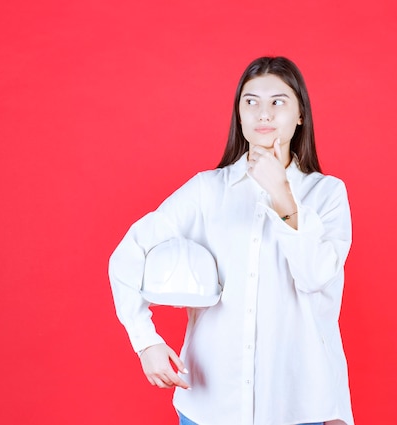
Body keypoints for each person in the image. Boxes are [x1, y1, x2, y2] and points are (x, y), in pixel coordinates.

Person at [109, 56, 354, 425]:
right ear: (239, 115)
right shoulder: (207, 191)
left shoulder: (327, 194)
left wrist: (282, 195)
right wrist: (146, 341)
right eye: (250, 101)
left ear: (300, 114)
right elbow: (129, 252)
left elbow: (316, 277)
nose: (263, 114)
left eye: (278, 101)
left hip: (298, 405)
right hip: (211, 405)